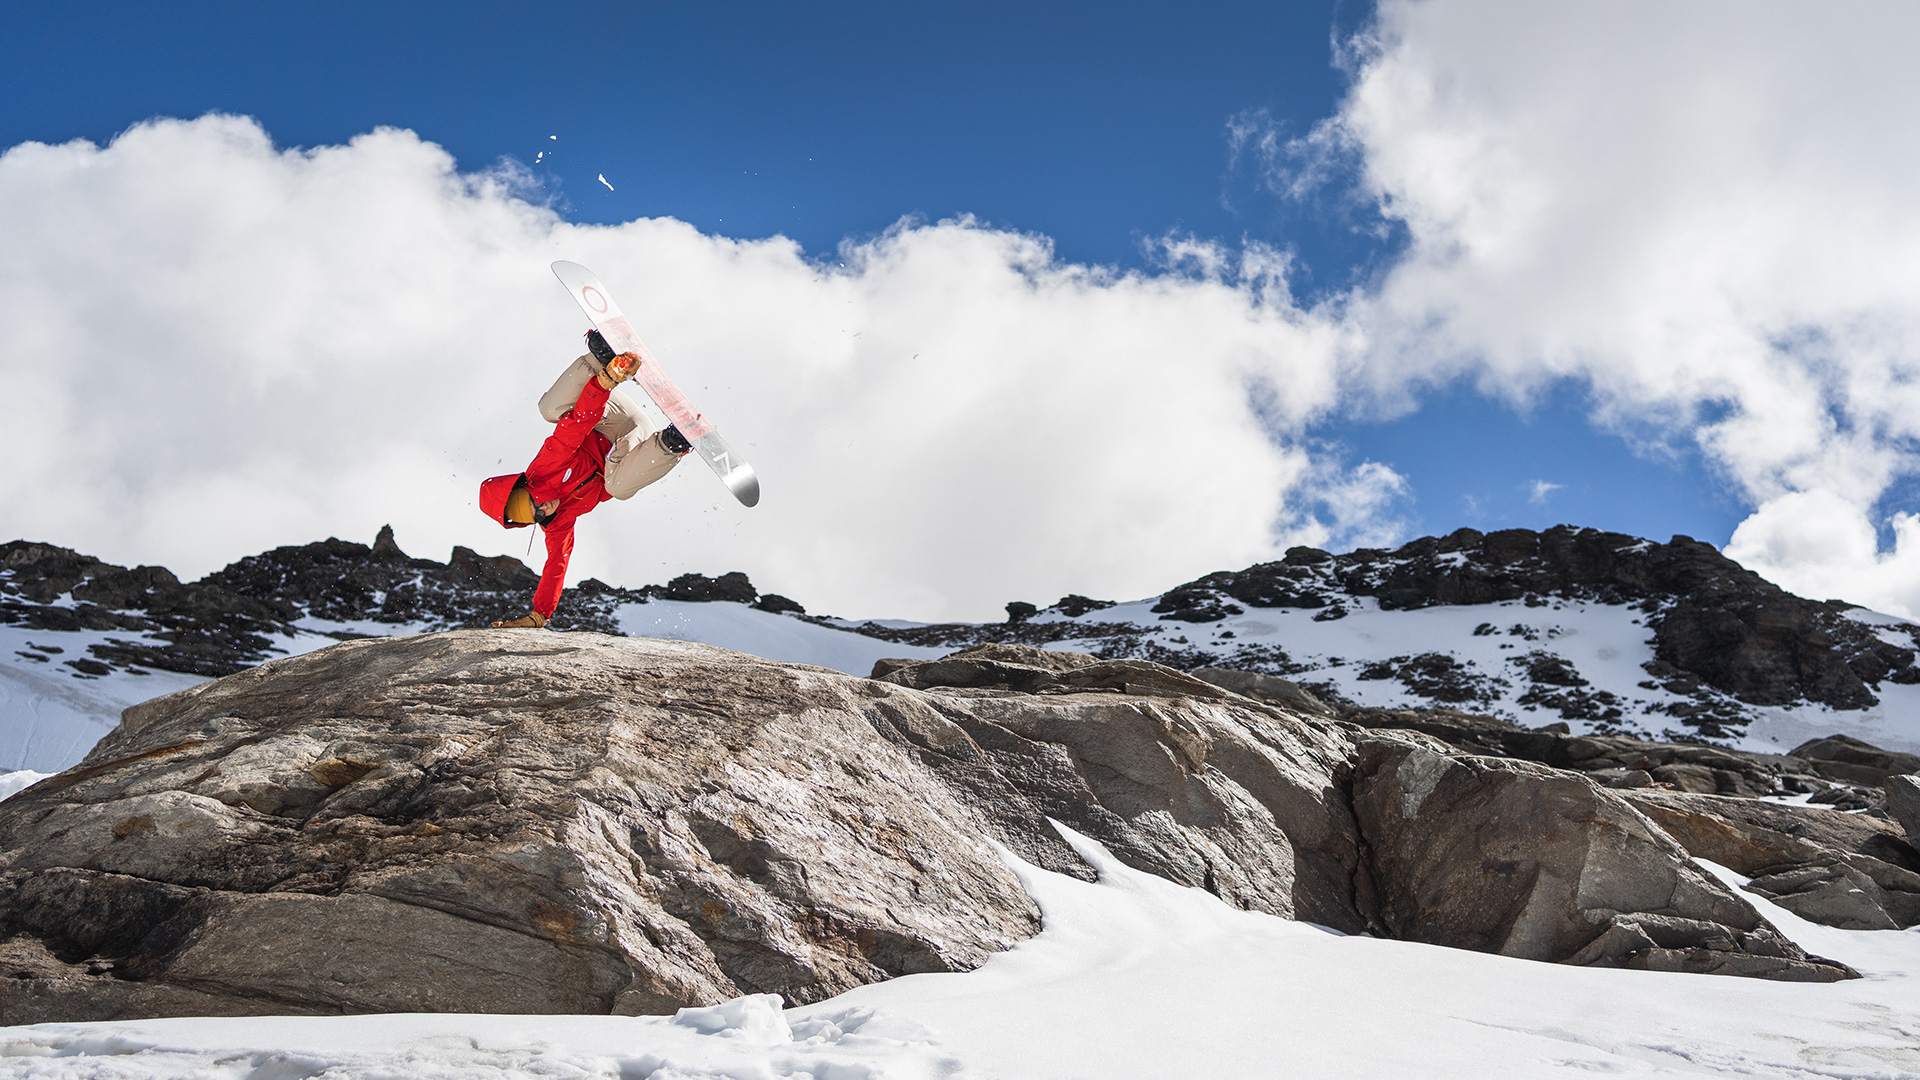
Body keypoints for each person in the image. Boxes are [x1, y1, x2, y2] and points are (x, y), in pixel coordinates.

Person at [478, 331, 692, 628]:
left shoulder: (545, 468)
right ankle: (672, 443)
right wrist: (539, 615)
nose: (545, 510)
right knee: (615, 487)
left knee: (549, 409)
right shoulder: (558, 523)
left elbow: (575, 426)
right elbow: (556, 566)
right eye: (536, 518)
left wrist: (604, 382)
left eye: (535, 505)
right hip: (631, 444)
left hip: (609, 414)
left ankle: (601, 358)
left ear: (526, 490)